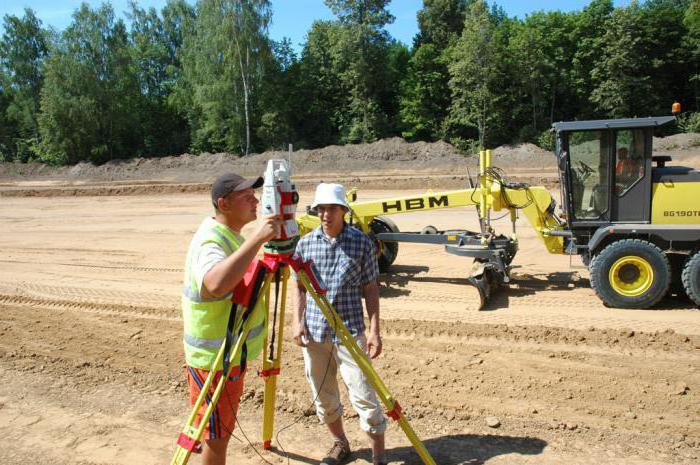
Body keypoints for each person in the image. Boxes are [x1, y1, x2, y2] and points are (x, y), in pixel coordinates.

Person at [181, 172, 282, 465]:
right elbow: (215, 284)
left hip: (228, 353)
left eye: (255, 194)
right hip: (214, 358)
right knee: (217, 436)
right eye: (246, 196)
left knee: (219, 430)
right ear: (224, 204)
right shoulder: (210, 241)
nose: (256, 200)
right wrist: (257, 239)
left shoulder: (228, 235)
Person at [292, 183, 387, 465]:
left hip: (350, 332)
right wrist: (296, 322)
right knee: (323, 396)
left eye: (331, 208)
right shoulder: (305, 244)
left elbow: (371, 288)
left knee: (364, 395)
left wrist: (374, 330)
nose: (325, 214)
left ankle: (379, 455)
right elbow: (299, 287)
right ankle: (340, 444)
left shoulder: (361, 243)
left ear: (343, 210)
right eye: (321, 209)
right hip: (315, 334)